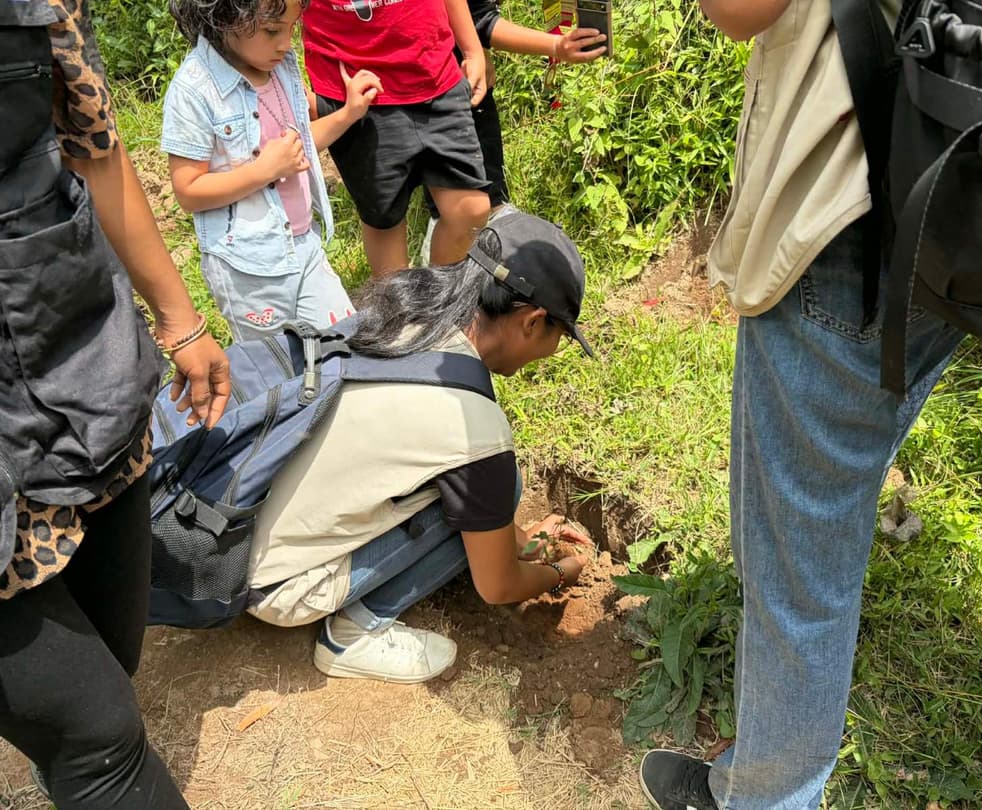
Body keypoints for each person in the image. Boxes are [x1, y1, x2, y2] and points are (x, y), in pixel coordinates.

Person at [637, 1, 964, 809]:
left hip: (850, 209)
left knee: (798, 578)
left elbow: (737, 9)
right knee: (838, 484)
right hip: (979, 205)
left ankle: (763, 796)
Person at [0, 0, 231, 806]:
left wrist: (180, 320)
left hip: (77, 358)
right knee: (95, 735)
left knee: (111, 649)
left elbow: (91, 141)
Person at [244, 212, 595, 682]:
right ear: (532, 322)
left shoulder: (407, 311)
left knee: (487, 490)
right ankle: (353, 633)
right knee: (497, 487)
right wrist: (560, 573)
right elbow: (499, 585)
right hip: (279, 585)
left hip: (248, 530)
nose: (553, 349)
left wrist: (525, 542)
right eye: (559, 334)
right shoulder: (474, 425)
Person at [163, 0, 378, 341]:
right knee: (275, 368)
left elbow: (299, 146)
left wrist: (348, 114)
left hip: (304, 246)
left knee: (343, 345)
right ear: (225, 17)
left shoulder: (279, 69)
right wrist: (263, 170)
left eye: (293, 28)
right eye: (272, 30)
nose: (285, 43)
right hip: (248, 268)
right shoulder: (194, 89)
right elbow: (188, 191)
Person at [303, 0, 492, 276]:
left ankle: (435, 301)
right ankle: (397, 311)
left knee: (470, 209)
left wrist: (473, 49)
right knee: (384, 217)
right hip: (357, 90)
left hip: (435, 69)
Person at [419, 1, 608, 262]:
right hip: (422, 67)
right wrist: (555, 46)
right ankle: (444, 243)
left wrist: (475, 48)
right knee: (454, 186)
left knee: (477, 107)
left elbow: (473, 16)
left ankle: (490, 215)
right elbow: (478, 17)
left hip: (448, 47)